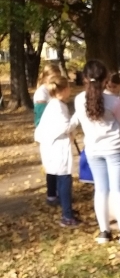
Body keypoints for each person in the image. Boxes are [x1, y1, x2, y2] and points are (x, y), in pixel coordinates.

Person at [74, 60, 120, 244]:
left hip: (93, 151)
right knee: (117, 190)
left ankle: (104, 232)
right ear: (106, 79)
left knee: (101, 190)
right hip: (115, 149)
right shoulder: (114, 101)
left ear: (85, 78)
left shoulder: (79, 100)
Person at [34, 74, 81, 228]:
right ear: (65, 89)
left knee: (62, 178)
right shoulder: (57, 107)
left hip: (53, 148)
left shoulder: (56, 104)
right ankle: (67, 216)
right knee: (64, 180)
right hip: (56, 149)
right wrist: (77, 117)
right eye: (69, 88)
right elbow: (65, 127)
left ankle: (66, 208)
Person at [34, 63, 63, 205]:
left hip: (56, 131)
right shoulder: (41, 93)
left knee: (58, 163)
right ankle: (52, 195)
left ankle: (59, 192)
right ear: (45, 76)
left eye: (57, 76)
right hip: (47, 133)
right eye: (52, 76)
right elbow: (41, 117)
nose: (55, 79)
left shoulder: (52, 89)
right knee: (51, 164)